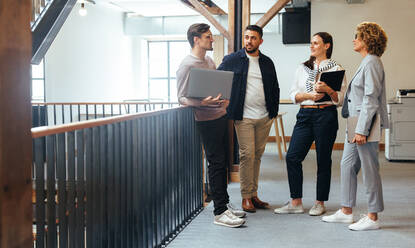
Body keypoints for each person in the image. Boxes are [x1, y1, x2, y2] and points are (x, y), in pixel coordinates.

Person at [176, 23, 245, 228]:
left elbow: (215, 87)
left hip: (220, 115)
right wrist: (202, 103)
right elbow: (181, 98)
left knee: (222, 163)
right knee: (215, 163)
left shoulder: (208, 60)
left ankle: (223, 204)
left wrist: (223, 99)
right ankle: (219, 212)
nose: (212, 39)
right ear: (196, 39)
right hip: (205, 120)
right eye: (208, 36)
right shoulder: (186, 64)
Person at [322, 22, 388, 231]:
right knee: (347, 165)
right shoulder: (366, 62)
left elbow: (371, 98)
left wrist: (362, 130)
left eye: (357, 37)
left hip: (364, 125)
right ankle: (346, 211)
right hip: (355, 124)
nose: (354, 40)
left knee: (370, 171)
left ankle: (373, 217)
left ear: (367, 40)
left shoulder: (372, 62)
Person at [274, 32, 347, 216]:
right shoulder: (302, 68)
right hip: (305, 115)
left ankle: (319, 202)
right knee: (292, 156)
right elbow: (293, 95)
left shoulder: (336, 69)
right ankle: (296, 202)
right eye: (311, 43)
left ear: (327, 46)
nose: (312, 46)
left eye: (316, 43)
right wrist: (308, 96)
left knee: (323, 159)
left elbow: (340, 100)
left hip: (326, 115)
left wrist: (328, 89)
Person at [218, 25, 280, 213]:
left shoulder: (267, 62)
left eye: (253, 38)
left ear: (260, 41)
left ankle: (254, 195)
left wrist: (273, 111)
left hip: (264, 116)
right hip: (243, 116)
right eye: (246, 37)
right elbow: (217, 79)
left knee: (257, 157)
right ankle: (246, 197)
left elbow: (274, 87)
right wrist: (224, 101)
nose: (248, 41)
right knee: (247, 155)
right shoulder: (232, 60)